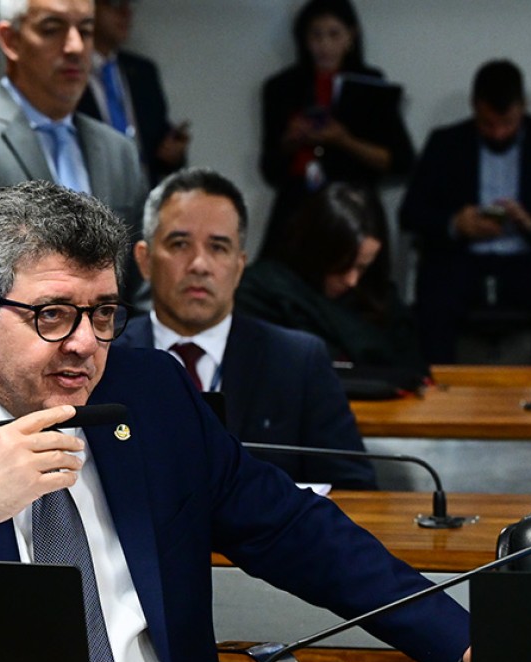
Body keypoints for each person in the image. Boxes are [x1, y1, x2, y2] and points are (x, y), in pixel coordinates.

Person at [0, 180, 471, 662]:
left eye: (103, 312)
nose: (84, 343)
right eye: (52, 315)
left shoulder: (151, 392)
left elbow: (297, 530)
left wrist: (463, 643)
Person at [114, 168, 375, 489]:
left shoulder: (298, 361)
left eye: (218, 247)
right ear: (144, 260)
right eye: (180, 244)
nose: (199, 265)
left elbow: (354, 487)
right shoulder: (106, 355)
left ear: (239, 267)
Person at [0, 0, 148, 301]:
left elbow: (139, 280)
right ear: (11, 40)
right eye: (51, 29)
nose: (75, 47)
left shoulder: (119, 151)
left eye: (86, 31)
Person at [399, 59, 531, 365]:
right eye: (487, 124)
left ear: (523, 106)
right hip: (462, 260)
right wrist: (456, 223)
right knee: (434, 302)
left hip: (529, 259)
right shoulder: (445, 142)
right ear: (474, 107)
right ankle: (436, 388)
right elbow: (410, 213)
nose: (497, 134)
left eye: (507, 123)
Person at [259, 0, 413, 256]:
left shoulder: (370, 84)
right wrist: (292, 139)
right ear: (304, 39)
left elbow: (400, 161)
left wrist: (344, 140)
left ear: (351, 36)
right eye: (316, 35)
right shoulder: (282, 87)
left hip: (354, 202)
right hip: (298, 201)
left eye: (334, 34)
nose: (325, 45)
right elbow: (269, 167)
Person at [238, 182, 428, 386]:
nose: (352, 280)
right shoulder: (262, 291)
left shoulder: (378, 295)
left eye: (362, 267)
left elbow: (415, 371)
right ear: (316, 252)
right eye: (341, 267)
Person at [77, 0, 188, 186]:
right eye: (115, 4)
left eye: (128, 5)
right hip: (89, 192)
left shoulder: (143, 72)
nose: (126, 13)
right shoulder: (69, 71)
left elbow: (157, 147)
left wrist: (173, 153)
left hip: (143, 193)